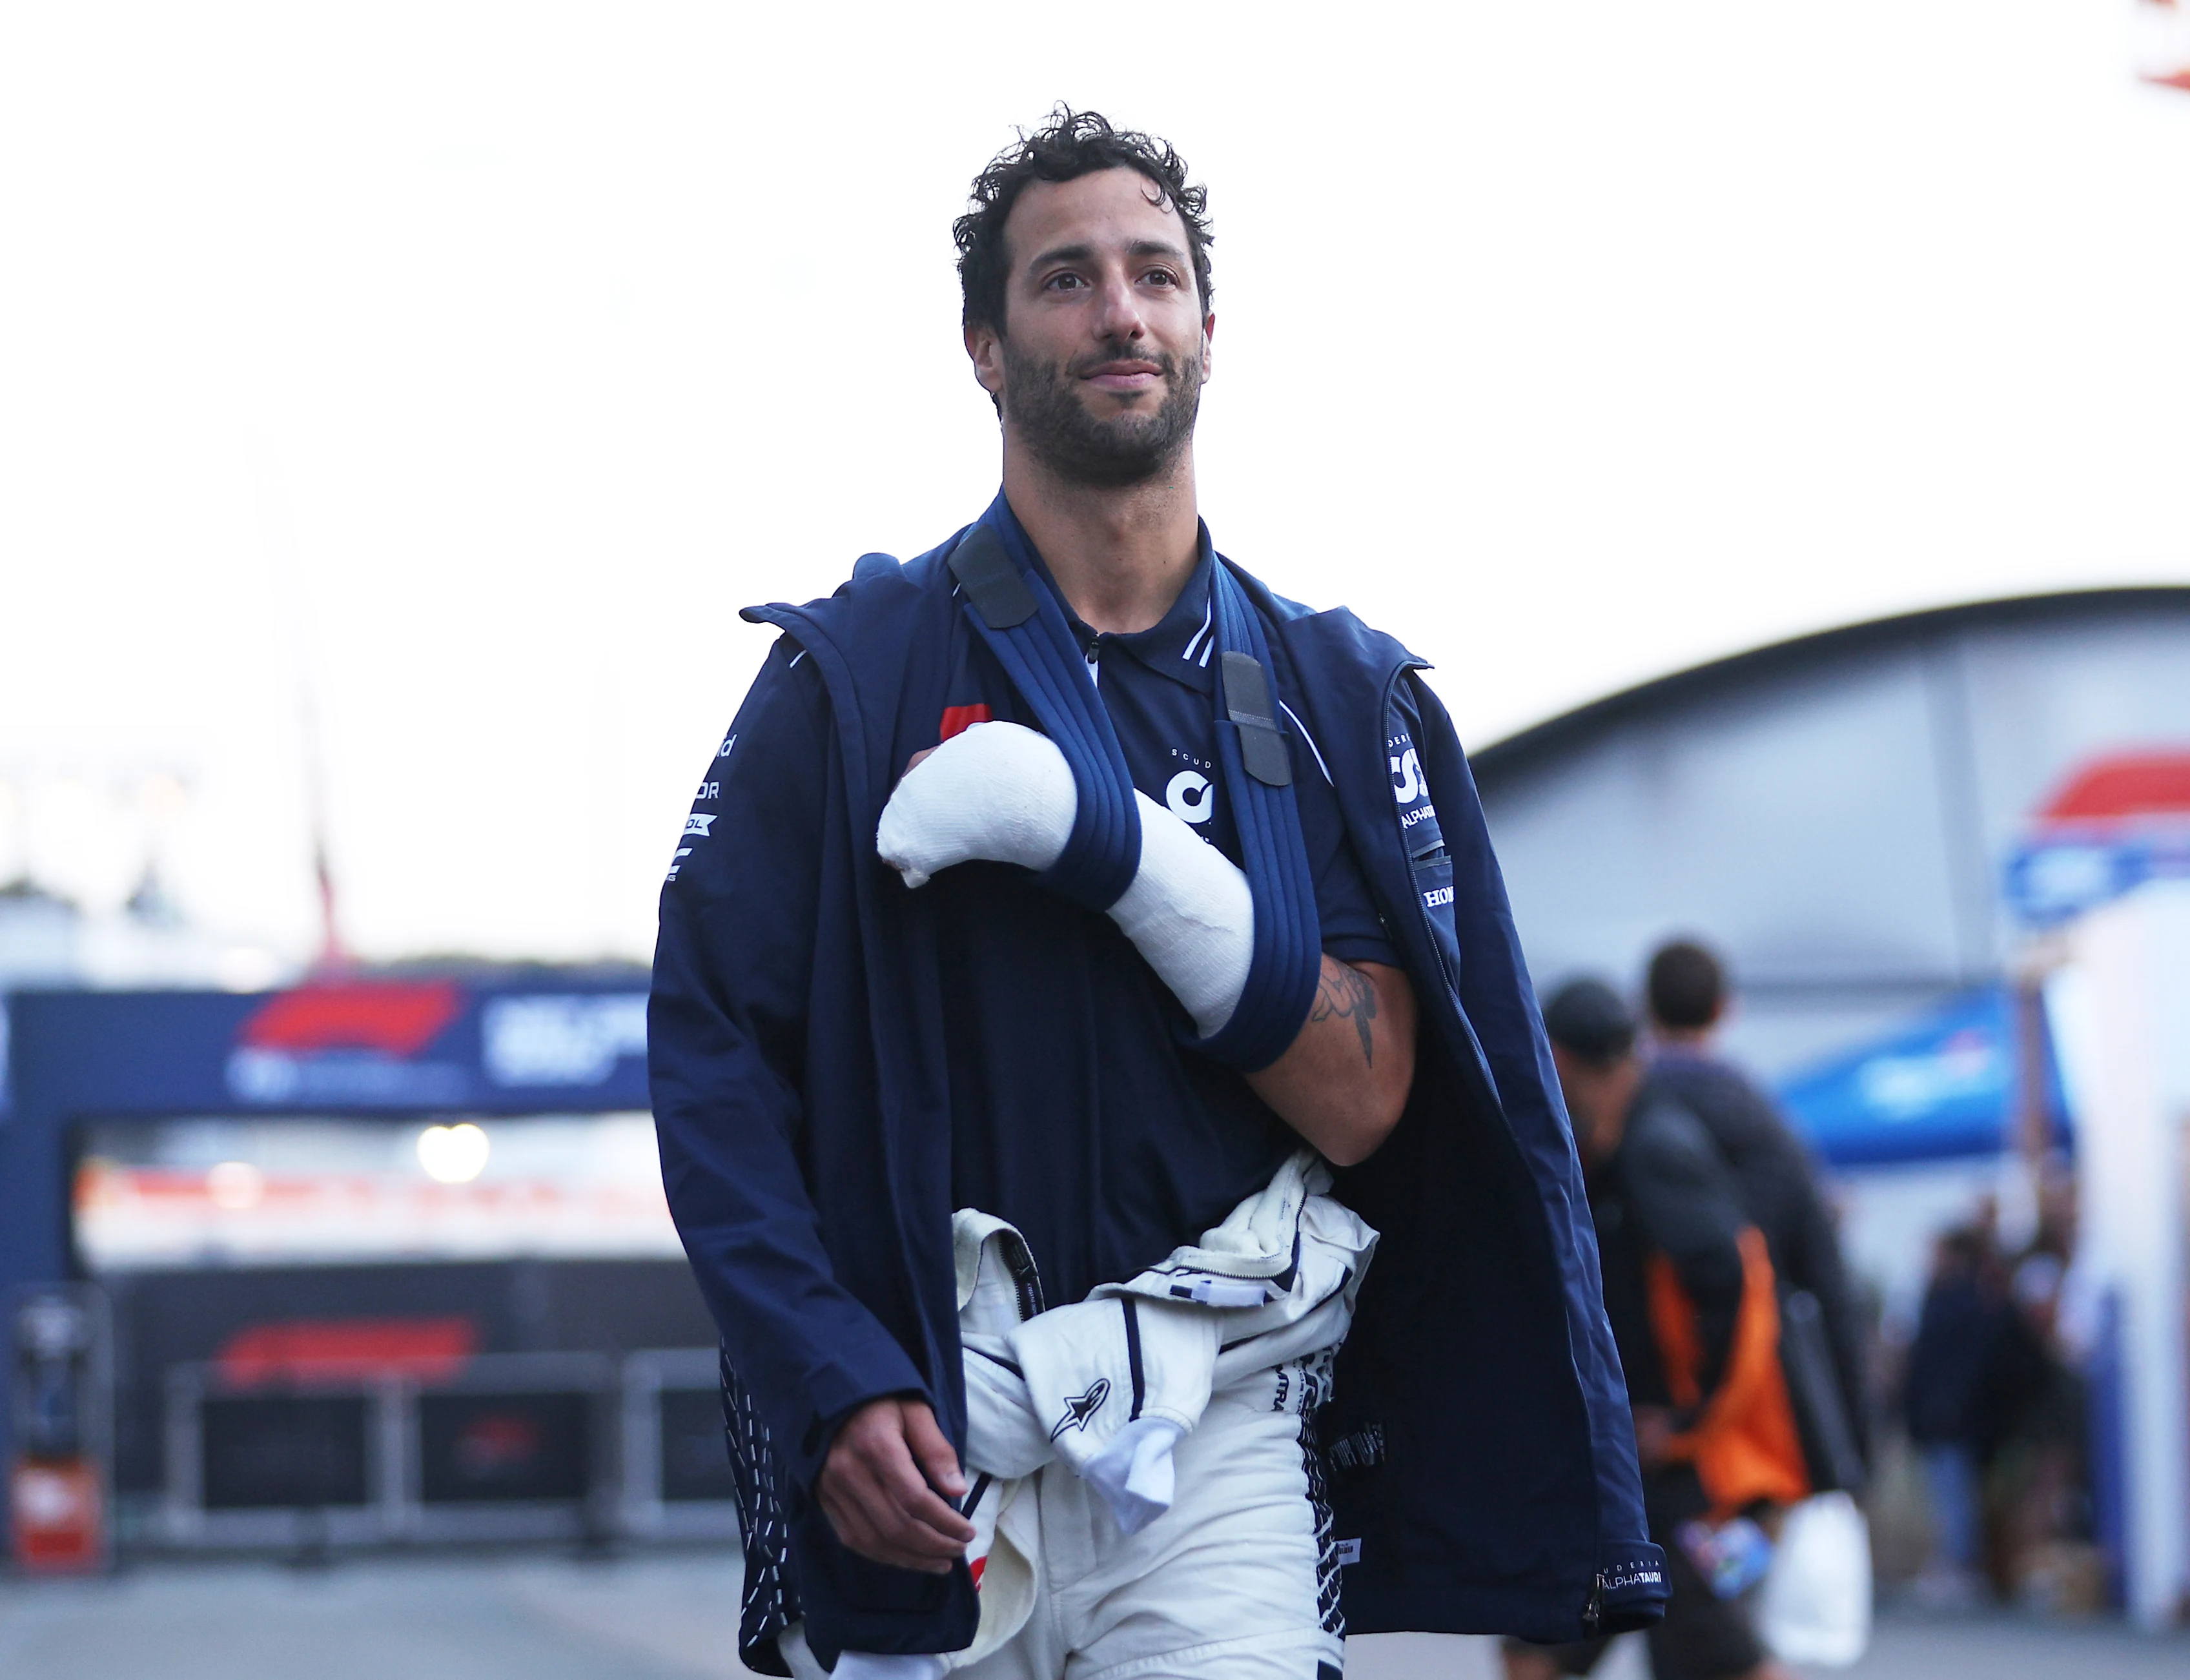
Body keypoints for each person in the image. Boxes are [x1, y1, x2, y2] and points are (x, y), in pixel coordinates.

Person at [648, 108, 1664, 1680]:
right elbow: (710, 1055)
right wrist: (827, 1373)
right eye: (1065, 279)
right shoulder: (849, 675)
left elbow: (1366, 1101)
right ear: (984, 347)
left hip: (1216, 1440)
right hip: (928, 1427)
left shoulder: (1332, 693)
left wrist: (1106, 845)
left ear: (1206, 327)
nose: (1119, 310)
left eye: (1155, 274)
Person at [1507, 980, 1807, 1680]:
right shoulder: (1615, 1148)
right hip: (1641, 1466)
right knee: (1540, 1644)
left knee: (1718, 1654)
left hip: (1693, 1472)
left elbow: (1742, 1281)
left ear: (1560, 1060)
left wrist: (1692, 1421)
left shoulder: (1656, 1148)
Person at [1641, 940, 1869, 1486]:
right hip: (1762, 1422)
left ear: (1645, 1009)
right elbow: (1831, 1288)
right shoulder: (1767, 1128)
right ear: (1725, 1009)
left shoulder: (1616, 1127)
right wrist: (1856, 1444)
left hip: (1643, 1413)